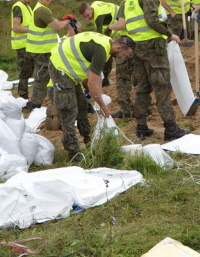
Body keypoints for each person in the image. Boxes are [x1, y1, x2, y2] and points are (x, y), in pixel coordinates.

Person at [112, 0, 191, 141]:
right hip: (153, 49)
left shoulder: (130, 0)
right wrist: (170, 34)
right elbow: (152, 20)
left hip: (137, 49)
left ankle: (141, 128)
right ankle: (171, 128)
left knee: (142, 89)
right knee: (162, 87)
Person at [48, 31, 136, 162]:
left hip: (71, 73)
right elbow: (93, 81)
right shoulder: (101, 51)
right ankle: (73, 153)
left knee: (82, 106)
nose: (123, 58)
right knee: (69, 111)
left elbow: (91, 77)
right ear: (119, 48)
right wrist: (103, 107)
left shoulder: (106, 44)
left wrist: (95, 98)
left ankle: (89, 141)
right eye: (124, 54)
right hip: (60, 68)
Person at [26, 0, 78, 110]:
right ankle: (39, 103)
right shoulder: (42, 10)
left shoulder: (43, 9)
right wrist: (69, 19)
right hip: (42, 50)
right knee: (48, 75)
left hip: (43, 49)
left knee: (44, 75)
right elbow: (59, 26)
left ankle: (36, 102)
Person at [105, 0, 138, 119]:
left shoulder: (125, 3)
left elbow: (121, 24)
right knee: (140, 78)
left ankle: (126, 110)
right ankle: (145, 108)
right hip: (141, 44)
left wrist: (109, 28)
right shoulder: (139, 0)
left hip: (126, 45)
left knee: (123, 79)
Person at [77, 0, 119, 86]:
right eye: (85, 17)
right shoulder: (95, 5)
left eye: (88, 15)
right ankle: (106, 78)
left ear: (91, 9)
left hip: (121, 27)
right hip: (116, 29)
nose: (88, 18)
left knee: (105, 50)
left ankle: (105, 78)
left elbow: (99, 37)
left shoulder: (99, 14)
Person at [10, 0, 36, 100]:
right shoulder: (18, 7)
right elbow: (16, 27)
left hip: (29, 44)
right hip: (22, 45)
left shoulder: (27, 7)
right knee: (25, 72)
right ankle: (23, 97)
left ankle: (24, 96)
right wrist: (32, 30)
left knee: (29, 71)